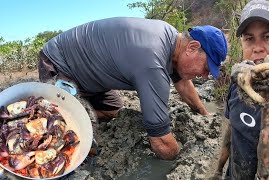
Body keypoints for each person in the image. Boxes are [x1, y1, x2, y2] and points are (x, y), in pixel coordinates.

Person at [37, 17, 228, 160]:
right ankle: (63, 109)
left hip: (91, 75)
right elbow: (160, 141)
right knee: (79, 145)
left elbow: (183, 82)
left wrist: (203, 112)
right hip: (59, 63)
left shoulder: (171, 37)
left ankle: (81, 107)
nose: (205, 75)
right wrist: (179, 159)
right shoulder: (152, 63)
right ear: (192, 47)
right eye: (206, 67)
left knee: (115, 112)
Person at [213, 0, 269, 179]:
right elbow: (232, 130)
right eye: (249, 39)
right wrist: (219, 169)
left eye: (266, 37)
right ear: (242, 43)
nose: (258, 48)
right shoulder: (237, 85)